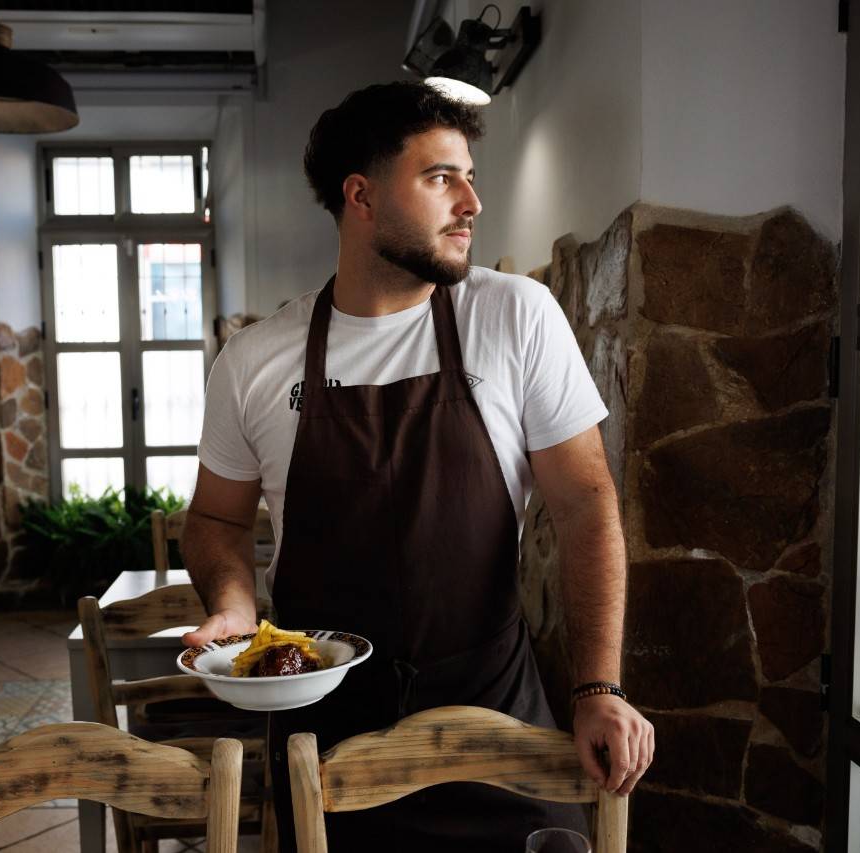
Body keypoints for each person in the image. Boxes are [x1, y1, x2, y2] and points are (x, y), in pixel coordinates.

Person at [181, 80, 653, 852]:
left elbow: (586, 503)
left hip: (495, 726)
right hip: (324, 743)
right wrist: (233, 607)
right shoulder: (254, 361)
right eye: (440, 177)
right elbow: (215, 518)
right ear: (360, 196)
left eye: (471, 176)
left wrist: (598, 686)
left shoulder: (515, 316)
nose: (470, 201)